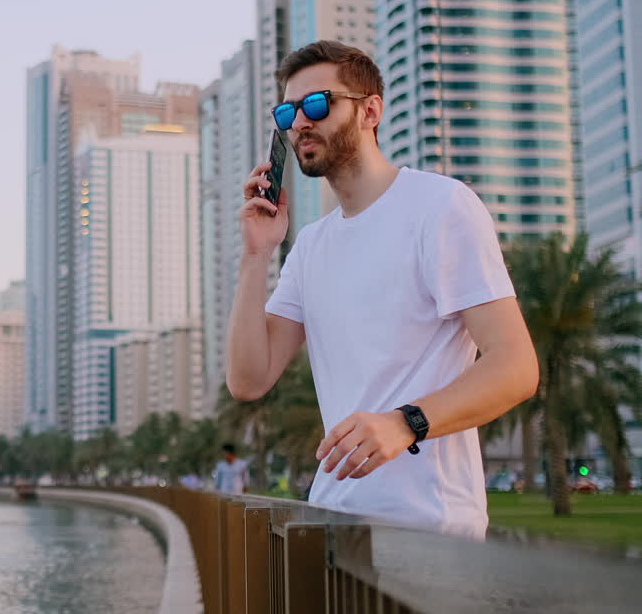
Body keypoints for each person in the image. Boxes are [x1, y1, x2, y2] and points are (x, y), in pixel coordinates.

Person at [225, 40, 539, 539]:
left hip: (430, 529)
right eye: (288, 110)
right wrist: (255, 254)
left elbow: (516, 367)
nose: (300, 122)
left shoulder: (439, 207)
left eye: (317, 103)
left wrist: (404, 423)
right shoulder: (311, 246)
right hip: (334, 522)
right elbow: (248, 379)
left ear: (371, 110)